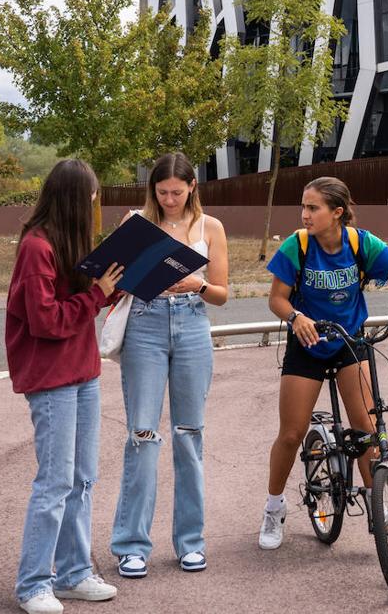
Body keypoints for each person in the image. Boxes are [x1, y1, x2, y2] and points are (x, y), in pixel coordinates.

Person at [258, 176, 388, 550]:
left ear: (337, 212)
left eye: (314, 208)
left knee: (366, 430)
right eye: (303, 207)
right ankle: (274, 507)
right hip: (306, 343)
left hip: (349, 343)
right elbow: (276, 298)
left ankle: (378, 506)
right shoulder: (298, 245)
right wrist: (296, 318)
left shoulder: (359, 243)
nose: (305, 214)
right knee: (291, 434)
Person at [5, 158, 124, 614]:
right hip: (51, 379)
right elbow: (47, 320)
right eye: (92, 196)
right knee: (55, 482)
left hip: (82, 374)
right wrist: (96, 294)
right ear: (75, 198)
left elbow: (82, 301)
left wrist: (114, 286)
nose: (96, 204)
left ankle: (74, 574)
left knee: (82, 479)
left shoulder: (70, 242)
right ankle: (34, 583)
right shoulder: (37, 247)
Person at [110, 152, 229, 578]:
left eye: (177, 192)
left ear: (193, 187)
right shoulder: (135, 224)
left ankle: (190, 542)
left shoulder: (210, 227)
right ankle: (131, 545)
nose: (170, 199)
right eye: (162, 192)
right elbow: (112, 277)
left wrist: (197, 282)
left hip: (193, 322)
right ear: (152, 190)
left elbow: (222, 294)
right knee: (142, 433)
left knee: (189, 434)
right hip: (145, 321)